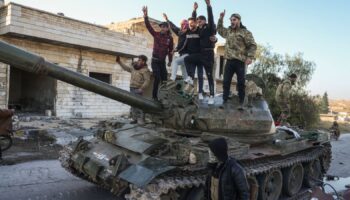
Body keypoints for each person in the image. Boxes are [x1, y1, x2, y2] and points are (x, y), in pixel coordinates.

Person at [218, 10, 257, 110]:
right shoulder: (229, 31)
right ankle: (224, 101)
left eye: (234, 20)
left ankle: (241, 103)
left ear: (239, 20)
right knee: (226, 81)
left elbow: (252, 45)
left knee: (240, 83)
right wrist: (221, 18)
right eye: (231, 20)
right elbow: (219, 30)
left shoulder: (245, 32)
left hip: (240, 61)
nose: (232, 22)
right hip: (229, 61)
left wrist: (250, 57)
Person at [185, 0, 216, 104]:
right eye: (198, 22)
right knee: (187, 59)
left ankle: (212, 96)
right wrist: (194, 10)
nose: (198, 23)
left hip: (209, 55)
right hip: (201, 54)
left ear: (204, 21)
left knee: (209, 76)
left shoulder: (209, 28)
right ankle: (190, 77)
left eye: (200, 21)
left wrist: (208, 6)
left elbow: (211, 18)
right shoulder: (199, 29)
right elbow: (192, 22)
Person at [142, 6, 174, 100]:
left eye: (165, 27)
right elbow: (148, 26)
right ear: (160, 28)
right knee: (157, 78)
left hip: (162, 62)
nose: (164, 28)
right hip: (155, 61)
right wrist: (145, 16)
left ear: (168, 28)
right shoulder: (156, 35)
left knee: (164, 79)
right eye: (162, 27)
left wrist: (170, 61)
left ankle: (164, 96)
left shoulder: (170, 39)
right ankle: (154, 96)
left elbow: (170, 51)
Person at [116, 55, 151, 125]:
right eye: (138, 60)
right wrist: (119, 62)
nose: (138, 61)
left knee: (139, 105)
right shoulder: (134, 67)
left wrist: (142, 88)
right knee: (132, 104)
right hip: (131, 88)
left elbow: (147, 81)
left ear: (143, 62)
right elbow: (126, 68)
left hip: (138, 89)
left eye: (140, 60)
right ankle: (135, 119)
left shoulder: (145, 70)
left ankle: (141, 120)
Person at [163, 14, 189, 82]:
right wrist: (167, 20)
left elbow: (183, 45)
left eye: (184, 26)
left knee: (175, 61)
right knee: (184, 73)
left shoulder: (188, 34)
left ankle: (172, 78)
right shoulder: (180, 32)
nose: (182, 27)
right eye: (181, 25)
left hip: (187, 54)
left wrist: (175, 50)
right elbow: (173, 27)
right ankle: (188, 83)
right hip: (182, 54)